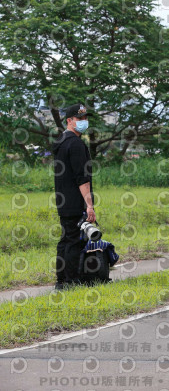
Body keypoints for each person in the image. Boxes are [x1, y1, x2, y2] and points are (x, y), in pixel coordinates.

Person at [51, 104, 96, 290]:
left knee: (65, 240)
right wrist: (89, 205)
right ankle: (71, 281)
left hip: (63, 199)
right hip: (75, 200)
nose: (84, 121)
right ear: (69, 120)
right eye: (79, 118)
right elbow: (82, 178)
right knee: (74, 241)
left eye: (85, 118)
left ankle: (61, 280)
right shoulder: (76, 144)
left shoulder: (61, 141)